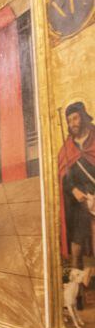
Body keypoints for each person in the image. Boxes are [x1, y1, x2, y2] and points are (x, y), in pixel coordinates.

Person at [59, 101, 95, 269]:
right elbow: (64, 177)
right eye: (69, 121)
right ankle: (76, 274)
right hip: (80, 198)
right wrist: (74, 190)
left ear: (83, 116)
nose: (72, 124)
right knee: (78, 229)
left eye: (75, 118)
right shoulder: (68, 147)